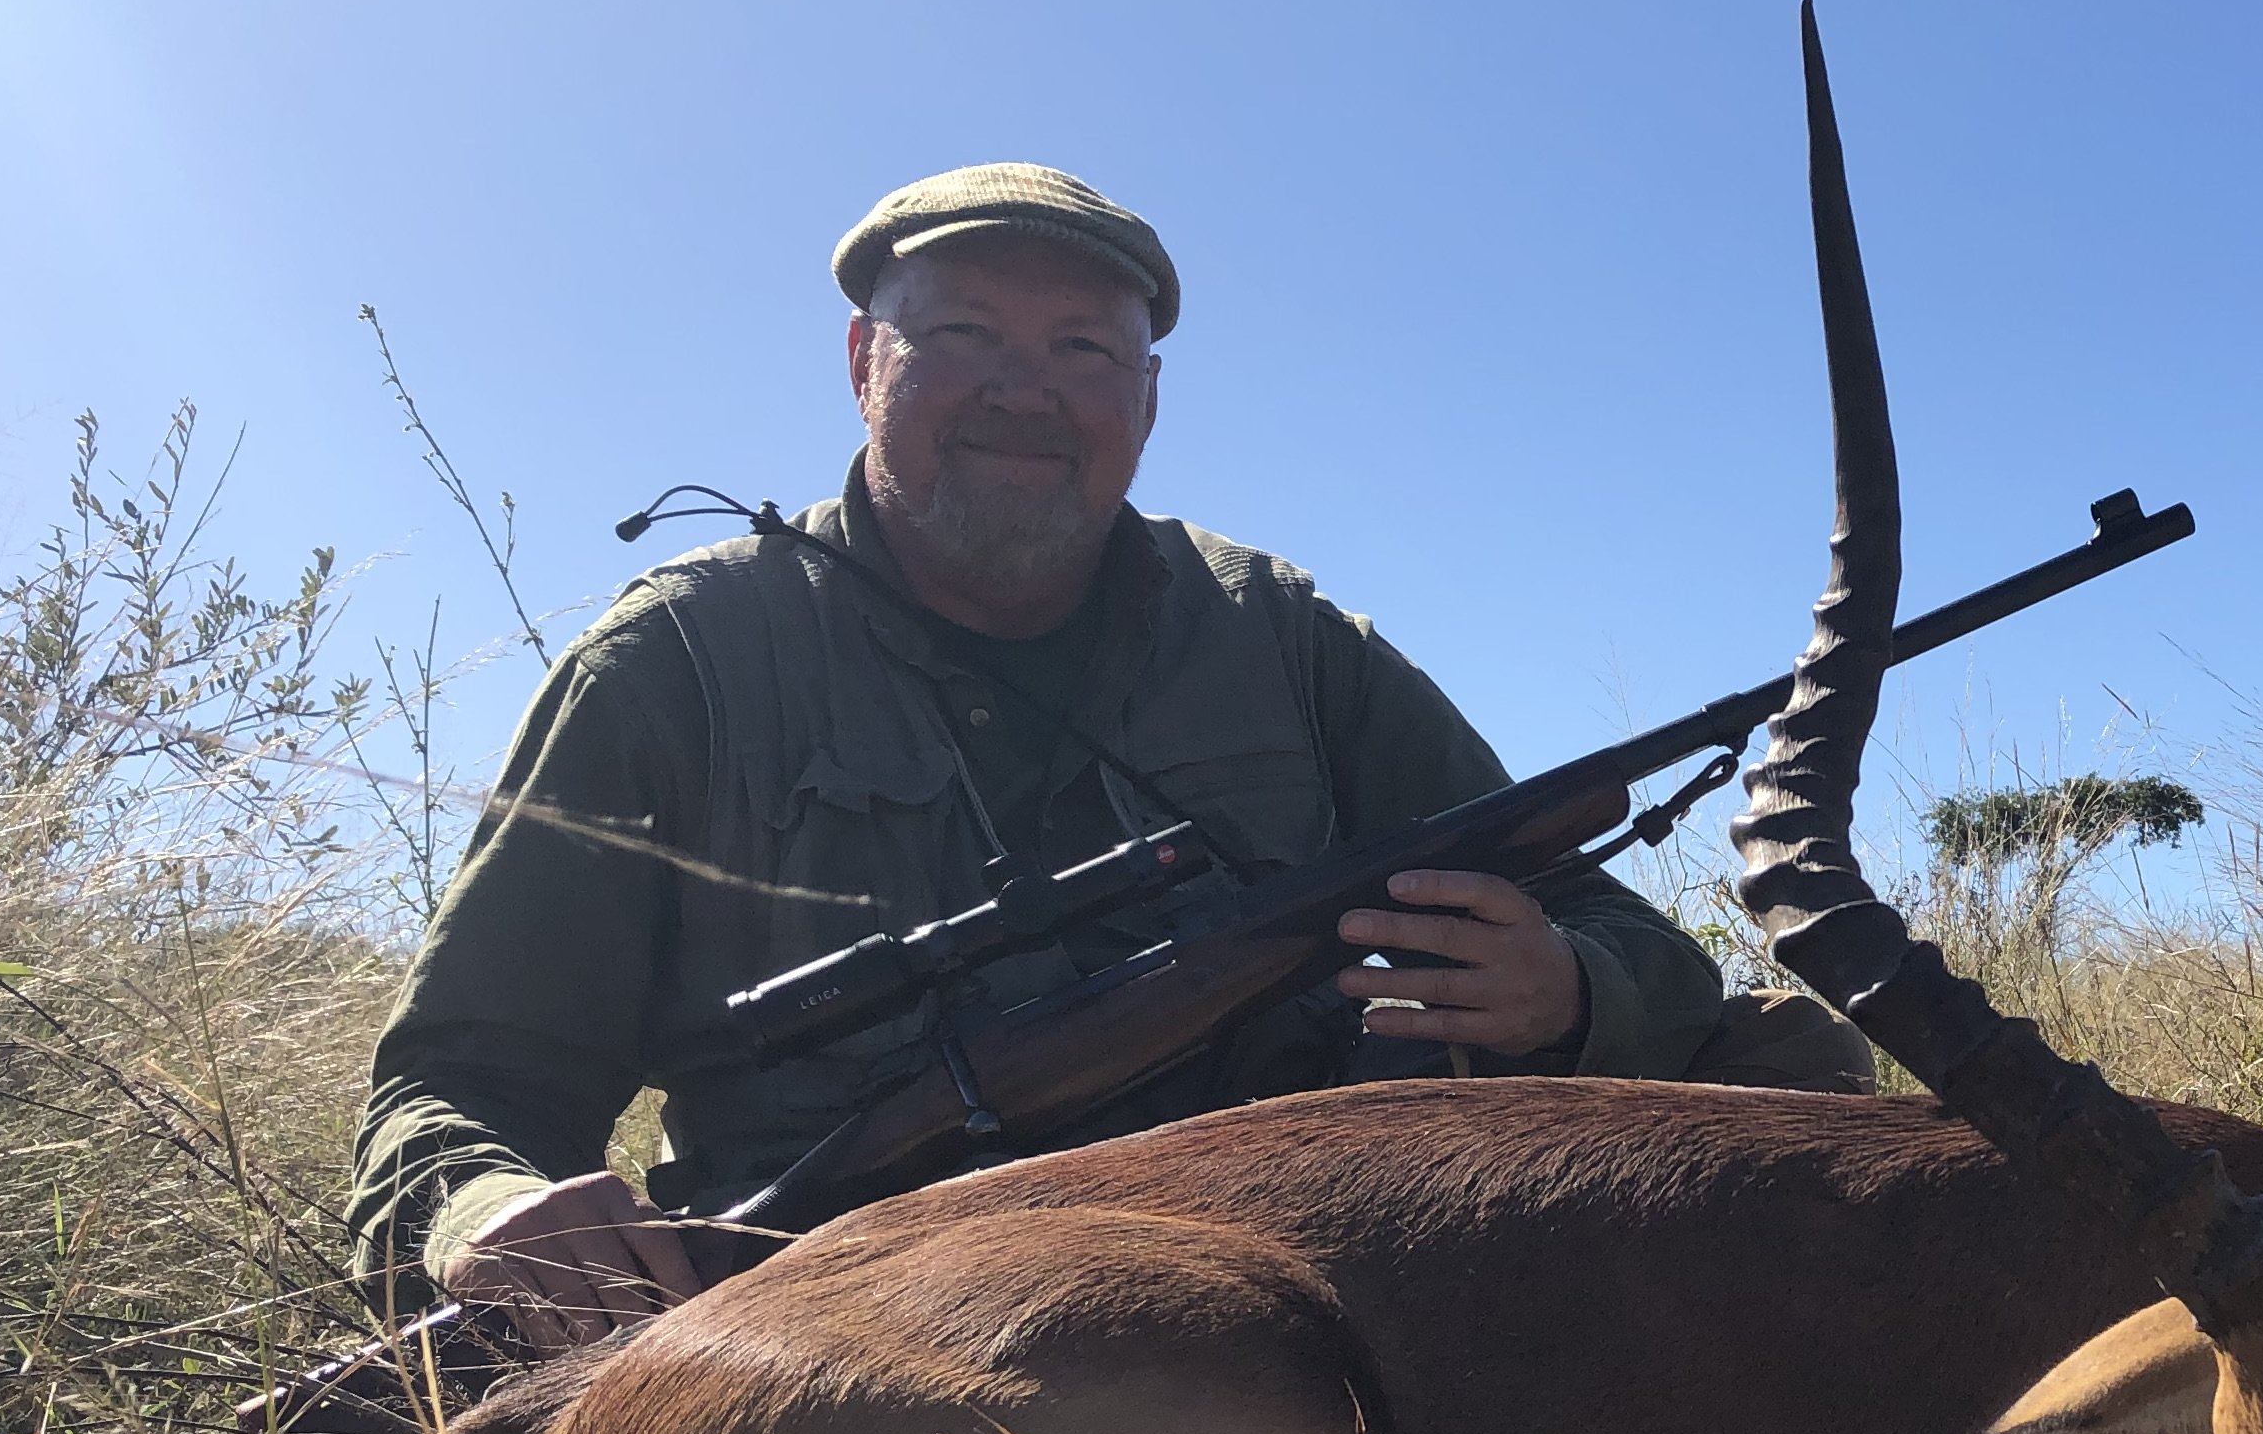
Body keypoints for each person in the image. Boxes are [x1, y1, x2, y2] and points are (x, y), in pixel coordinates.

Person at [347, 162, 1790, 1352]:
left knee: (1780, 1062)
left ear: (1145, 400)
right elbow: (458, 1087)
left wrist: (1567, 995)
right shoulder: (680, 664)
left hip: (1299, 1270)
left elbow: (1613, 927)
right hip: (860, 1316)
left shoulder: (1279, 635)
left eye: (1082, 350)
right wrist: (481, 1216)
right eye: (964, 333)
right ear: (865, 362)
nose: (1023, 392)